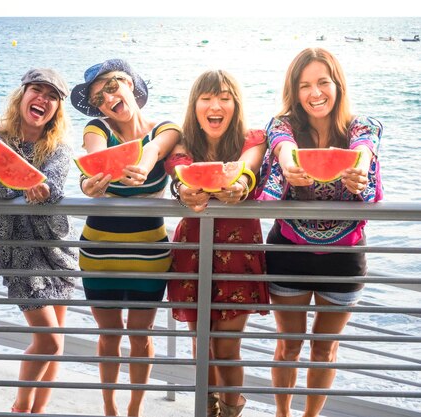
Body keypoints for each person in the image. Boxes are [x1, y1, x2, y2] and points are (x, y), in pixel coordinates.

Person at [258, 47, 383, 417]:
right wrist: (287, 163)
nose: (315, 93)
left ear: (338, 85)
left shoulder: (362, 125)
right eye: (304, 85)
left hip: (344, 258)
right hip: (288, 251)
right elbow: (280, 145)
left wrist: (359, 169)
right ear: (294, 91)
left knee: (325, 349)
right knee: (289, 345)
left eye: (323, 82)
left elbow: (365, 148)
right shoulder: (283, 125)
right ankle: (282, 414)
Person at [70, 58, 181, 417]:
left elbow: (155, 149)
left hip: (150, 251)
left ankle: (134, 408)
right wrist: (89, 182)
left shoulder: (166, 127)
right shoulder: (97, 127)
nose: (107, 98)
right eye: (99, 97)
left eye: (112, 86)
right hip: (98, 251)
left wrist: (145, 164)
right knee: (109, 336)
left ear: (131, 85)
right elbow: (93, 155)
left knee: (141, 335)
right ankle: (109, 408)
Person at [164, 69, 269, 417]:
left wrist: (241, 183)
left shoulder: (252, 138)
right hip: (193, 250)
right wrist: (183, 190)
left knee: (226, 347)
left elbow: (249, 166)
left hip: (239, 252)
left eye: (224, 97)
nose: (215, 104)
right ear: (195, 105)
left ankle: (232, 408)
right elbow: (179, 171)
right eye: (207, 97)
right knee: (201, 345)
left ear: (235, 104)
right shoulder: (184, 144)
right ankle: (206, 409)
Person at [0, 68, 78, 414]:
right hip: (16, 253)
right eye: (37, 90)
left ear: (57, 108)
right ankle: (20, 408)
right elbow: (3, 191)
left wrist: (43, 188)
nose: (43, 99)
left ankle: (37, 412)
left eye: (52, 96)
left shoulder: (59, 146)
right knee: (47, 341)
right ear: (23, 95)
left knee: (57, 345)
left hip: (56, 251)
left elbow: (55, 184)